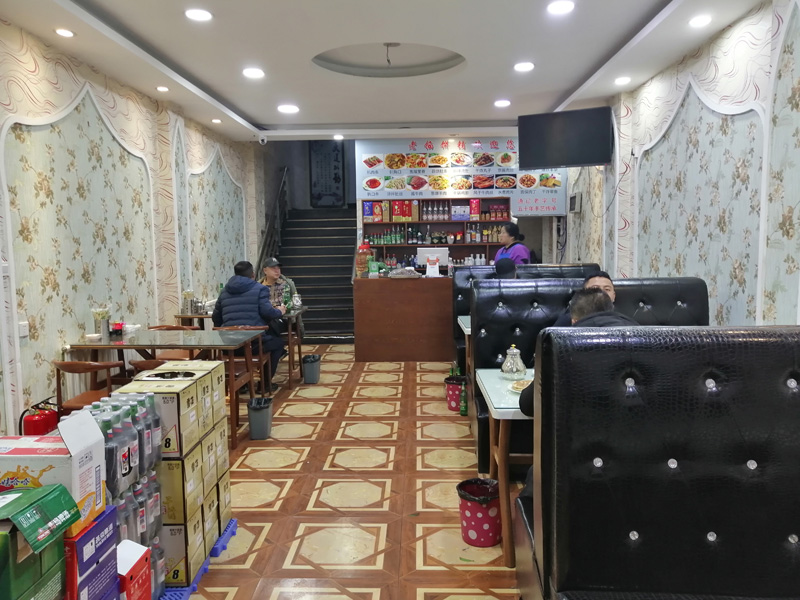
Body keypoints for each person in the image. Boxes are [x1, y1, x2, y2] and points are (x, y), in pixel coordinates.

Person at [517, 287, 637, 498]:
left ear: (573, 321)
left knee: (538, 476)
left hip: (576, 464)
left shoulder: (563, 346)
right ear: (611, 308)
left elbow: (528, 405)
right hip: (643, 461)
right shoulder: (648, 336)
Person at [212, 260, 286, 392]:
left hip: (229, 344)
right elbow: (268, 313)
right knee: (278, 344)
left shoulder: (224, 291)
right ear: (253, 274)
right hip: (253, 344)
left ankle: (242, 383)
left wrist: (226, 330)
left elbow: (216, 317)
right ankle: (264, 385)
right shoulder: (260, 289)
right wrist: (280, 311)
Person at [259, 257, 304, 338]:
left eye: (278, 268)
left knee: (270, 325)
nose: (277, 271)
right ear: (265, 270)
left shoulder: (286, 285)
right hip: (265, 318)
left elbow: (291, 304)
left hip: (282, 318)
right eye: (273, 268)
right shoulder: (259, 286)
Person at [552, 270, 617, 326]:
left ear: (614, 295)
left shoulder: (620, 318)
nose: (601, 293)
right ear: (584, 293)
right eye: (595, 289)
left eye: (607, 289)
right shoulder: (569, 318)